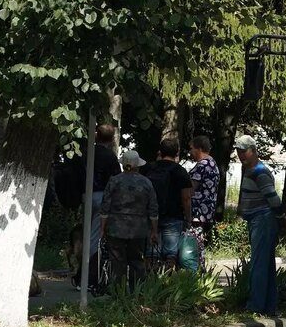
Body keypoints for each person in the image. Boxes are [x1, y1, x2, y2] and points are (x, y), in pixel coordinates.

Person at [67, 123, 122, 289]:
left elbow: (74, 175)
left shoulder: (85, 153)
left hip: (86, 195)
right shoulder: (110, 157)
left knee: (86, 233)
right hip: (102, 195)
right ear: (112, 138)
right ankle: (88, 276)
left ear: (96, 135)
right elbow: (116, 179)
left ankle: (82, 273)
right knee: (95, 237)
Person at [235, 134, 283, 316]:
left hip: (263, 219)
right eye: (238, 152)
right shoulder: (248, 169)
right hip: (257, 219)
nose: (241, 155)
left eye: (244, 152)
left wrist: (279, 218)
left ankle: (255, 306)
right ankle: (269, 306)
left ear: (253, 151)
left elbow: (273, 199)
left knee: (259, 264)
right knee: (266, 264)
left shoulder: (259, 172)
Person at [100, 150, 158, 292]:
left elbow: (105, 208)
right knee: (137, 262)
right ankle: (137, 293)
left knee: (117, 263)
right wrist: (154, 231)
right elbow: (153, 209)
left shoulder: (114, 181)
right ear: (138, 165)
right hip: (138, 229)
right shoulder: (146, 183)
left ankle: (118, 294)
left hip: (116, 227)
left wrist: (102, 229)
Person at [147, 139, 192, 268]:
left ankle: (148, 282)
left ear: (160, 152)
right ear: (177, 153)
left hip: (150, 215)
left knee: (151, 252)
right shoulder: (180, 171)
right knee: (171, 254)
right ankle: (168, 283)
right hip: (173, 215)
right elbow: (186, 198)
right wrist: (188, 219)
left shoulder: (149, 168)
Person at [188, 135, 220, 257]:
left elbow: (191, 188)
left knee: (192, 241)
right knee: (198, 240)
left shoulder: (202, 165)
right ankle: (199, 267)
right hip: (206, 210)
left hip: (197, 210)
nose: (190, 152)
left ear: (199, 149)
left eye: (192, 149)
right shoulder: (212, 163)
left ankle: (194, 268)